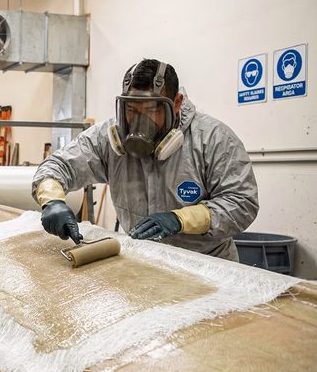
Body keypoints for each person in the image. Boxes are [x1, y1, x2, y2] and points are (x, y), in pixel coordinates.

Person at [33, 59, 258, 261]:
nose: (138, 121)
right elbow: (57, 166)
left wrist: (181, 219)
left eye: (151, 110)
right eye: (131, 109)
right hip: (143, 262)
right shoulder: (107, 138)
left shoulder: (213, 139)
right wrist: (52, 201)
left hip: (208, 266)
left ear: (176, 103)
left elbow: (242, 203)